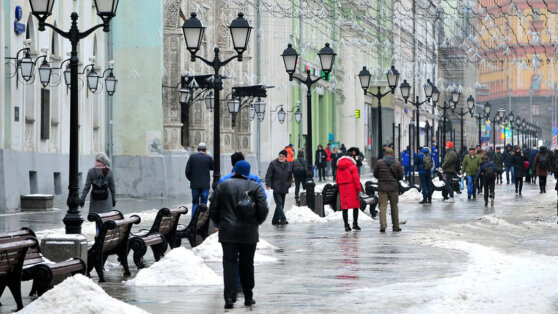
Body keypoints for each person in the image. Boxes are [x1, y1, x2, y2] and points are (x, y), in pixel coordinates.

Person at [209, 161, 268, 309]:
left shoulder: (223, 185)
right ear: (247, 172)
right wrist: (257, 222)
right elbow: (263, 208)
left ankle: (229, 297)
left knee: (229, 263)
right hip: (249, 232)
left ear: (234, 170)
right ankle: (248, 297)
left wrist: (219, 223)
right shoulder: (255, 186)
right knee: (247, 263)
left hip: (227, 232)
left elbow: (213, 209)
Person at [373, 148, 403, 232]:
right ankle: (396, 226)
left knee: (382, 206)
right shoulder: (397, 163)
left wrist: (382, 179)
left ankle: (383, 225)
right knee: (394, 206)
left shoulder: (379, 162)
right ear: (392, 154)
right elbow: (401, 176)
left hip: (382, 187)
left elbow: (375, 174)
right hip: (393, 187)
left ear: (385, 154)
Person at [336, 152, 363, 231]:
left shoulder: (339, 167)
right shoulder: (353, 167)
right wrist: (359, 189)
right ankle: (355, 223)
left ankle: (346, 225)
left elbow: (337, 179)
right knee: (355, 206)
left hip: (342, 188)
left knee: (344, 207)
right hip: (352, 188)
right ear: (351, 157)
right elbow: (356, 179)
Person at [185, 142, 214, 218]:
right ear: (205, 150)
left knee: (195, 203)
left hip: (195, 184)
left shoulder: (192, 157)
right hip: (205, 185)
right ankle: (202, 219)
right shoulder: (208, 158)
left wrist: (191, 179)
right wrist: (208, 156)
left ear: (197, 149)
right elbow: (212, 167)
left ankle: (193, 220)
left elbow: (187, 171)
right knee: (204, 203)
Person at [265, 150, 293, 225]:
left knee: (281, 204)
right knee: (279, 203)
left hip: (284, 187)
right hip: (275, 187)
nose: (281, 157)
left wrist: (289, 184)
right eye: (280, 156)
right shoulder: (273, 164)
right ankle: (283, 219)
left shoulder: (288, 165)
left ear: (285, 157)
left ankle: (275, 220)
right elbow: (268, 175)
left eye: (282, 156)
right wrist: (268, 185)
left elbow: (290, 176)